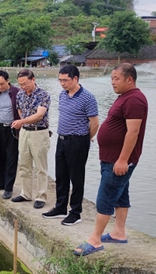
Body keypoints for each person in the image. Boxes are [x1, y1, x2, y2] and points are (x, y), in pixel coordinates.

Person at [74, 63, 148, 256]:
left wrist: (123, 159)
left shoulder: (135, 100)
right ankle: (118, 232)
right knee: (121, 195)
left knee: (105, 196)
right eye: (111, 79)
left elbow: (133, 132)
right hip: (112, 158)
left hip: (119, 159)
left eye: (116, 79)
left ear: (129, 79)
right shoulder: (125, 97)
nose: (112, 82)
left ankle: (95, 239)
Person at [43, 65, 99, 226]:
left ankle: (75, 212)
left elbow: (95, 123)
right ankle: (60, 207)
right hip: (62, 140)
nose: (62, 84)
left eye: (65, 80)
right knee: (61, 176)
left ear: (75, 79)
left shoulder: (88, 97)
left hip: (78, 141)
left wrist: (86, 138)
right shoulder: (63, 94)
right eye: (60, 80)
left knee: (76, 178)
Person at [10, 69, 51, 209]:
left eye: (25, 83)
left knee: (40, 166)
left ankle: (41, 196)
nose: (23, 87)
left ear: (33, 80)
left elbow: (39, 115)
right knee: (24, 165)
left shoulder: (43, 94)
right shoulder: (20, 94)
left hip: (39, 132)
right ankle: (26, 193)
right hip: (25, 132)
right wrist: (23, 122)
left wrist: (22, 122)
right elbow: (20, 110)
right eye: (20, 84)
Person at [0, 70, 21, 199]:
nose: (0, 87)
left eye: (2, 84)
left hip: (12, 130)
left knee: (11, 159)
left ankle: (8, 187)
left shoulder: (16, 93)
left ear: (8, 81)